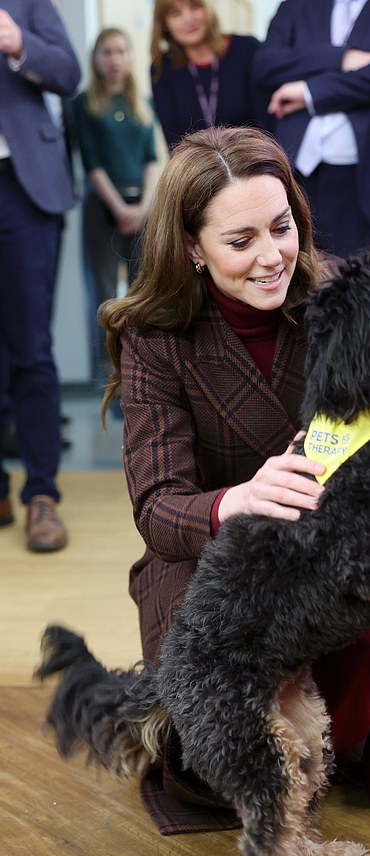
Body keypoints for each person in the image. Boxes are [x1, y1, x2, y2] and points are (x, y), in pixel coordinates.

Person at [100, 124, 370, 830]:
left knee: (336, 740)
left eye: (281, 228)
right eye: (240, 241)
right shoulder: (153, 337)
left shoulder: (340, 297)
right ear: (192, 248)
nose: (272, 255)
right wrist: (238, 500)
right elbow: (158, 509)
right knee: (222, 763)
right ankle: (165, 717)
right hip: (201, 563)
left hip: (325, 557)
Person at [252, 0, 370, 260]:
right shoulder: (296, 5)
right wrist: (343, 58)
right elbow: (266, 65)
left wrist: (311, 91)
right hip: (300, 179)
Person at [0, 0, 80, 550]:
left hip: (21, 189)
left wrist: (17, 42)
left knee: (31, 347)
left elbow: (69, 73)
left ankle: (42, 496)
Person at [69, 28, 159, 389]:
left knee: (144, 290)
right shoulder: (84, 104)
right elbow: (92, 164)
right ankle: (111, 379)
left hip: (144, 203)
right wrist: (121, 208)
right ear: (96, 58)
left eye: (121, 51)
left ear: (130, 56)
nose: (115, 59)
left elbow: (152, 159)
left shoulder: (142, 102)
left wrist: (144, 207)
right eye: (106, 52)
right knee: (106, 292)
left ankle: (144, 375)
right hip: (104, 206)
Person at [149, 0, 269, 151]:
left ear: (208, 9)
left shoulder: (248, 49)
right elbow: (174, 143)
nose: (188, 19)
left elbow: (267, 125)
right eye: (176, 13)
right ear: (165, 24)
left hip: (254, 160)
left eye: (194, 7)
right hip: (200, 170)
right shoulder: (162, 69)